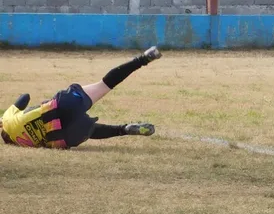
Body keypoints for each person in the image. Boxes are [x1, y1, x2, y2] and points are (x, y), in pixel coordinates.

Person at [1, 46, 161, 149]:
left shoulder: (22, 144)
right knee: (104, 85)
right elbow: (24, 98)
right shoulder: (7, 121)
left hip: (66, 137)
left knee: (87, 130)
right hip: (61, 107)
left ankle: (124, 130)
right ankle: (143, 59)